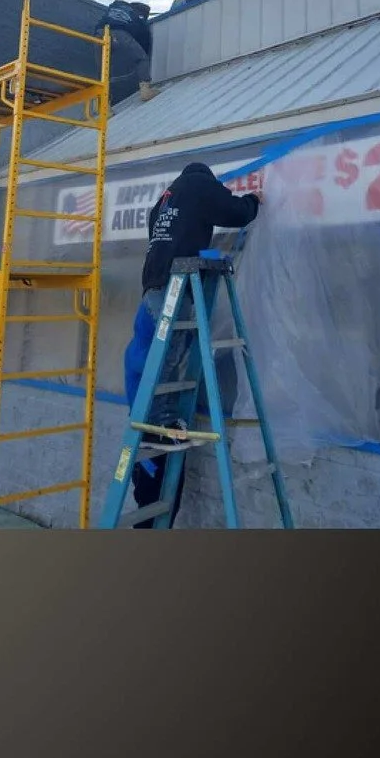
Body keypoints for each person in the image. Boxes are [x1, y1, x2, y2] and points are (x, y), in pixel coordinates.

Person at [120, 161, 262, 526]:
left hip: (152, 282)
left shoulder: (165, 198)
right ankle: (163, 424)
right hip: (175, 283)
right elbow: (233, 211)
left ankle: (161, 424)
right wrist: (254, 201)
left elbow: (167, 231)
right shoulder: (200, 187)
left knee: (165, 352)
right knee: (169, 358)